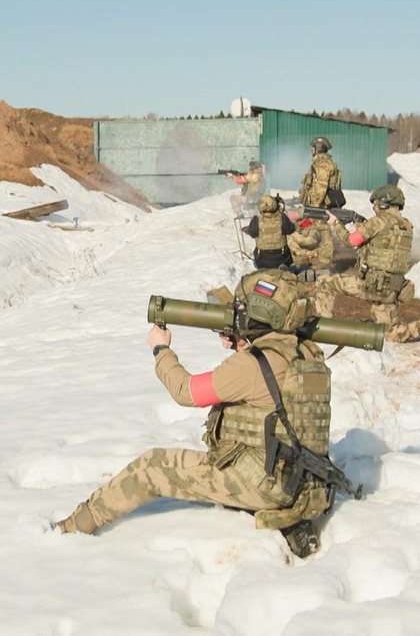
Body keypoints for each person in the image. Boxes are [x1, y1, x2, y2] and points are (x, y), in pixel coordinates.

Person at [57, 269, 335, 557]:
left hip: (264, 483)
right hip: (303, 481)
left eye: (241, 308)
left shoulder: (252, 365)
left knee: (153, 466)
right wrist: (245, 346)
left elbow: (187, 391)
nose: (235, 312)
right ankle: (286, 515)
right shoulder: (306, 352)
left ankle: (72, 528)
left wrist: (161, 350)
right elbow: (267, 389)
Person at [313, 184, 420, 342]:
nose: (374, 207)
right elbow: (384, 245)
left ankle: (325, 329)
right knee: (390, 333)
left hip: (371, 285)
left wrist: (335, 223)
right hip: (391, 289)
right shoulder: (406, 226)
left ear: (384, 203)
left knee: (324, 283)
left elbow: (350, 241)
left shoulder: (378, 222)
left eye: (376, 203)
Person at [243, 195, 295, 269]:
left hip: (262, 261)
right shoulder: (282, 218)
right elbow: (291, 229)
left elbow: (252, 233)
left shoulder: (256, 220)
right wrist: (280, 213)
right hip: (283, 259)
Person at [286, 209, 335, 275]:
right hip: (313, 240)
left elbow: (290, 216)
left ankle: (306, 253)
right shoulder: (315, 212)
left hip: (310, 238)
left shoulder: (307, 212)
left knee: (288, 237)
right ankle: (310, 253)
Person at [300, 136, 343, 209]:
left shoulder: (323, 166)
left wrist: (313, 210)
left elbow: (320, 192)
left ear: (318, 149)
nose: (311, 150)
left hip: (321, 209)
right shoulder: (321, 164)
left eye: (313, 148)